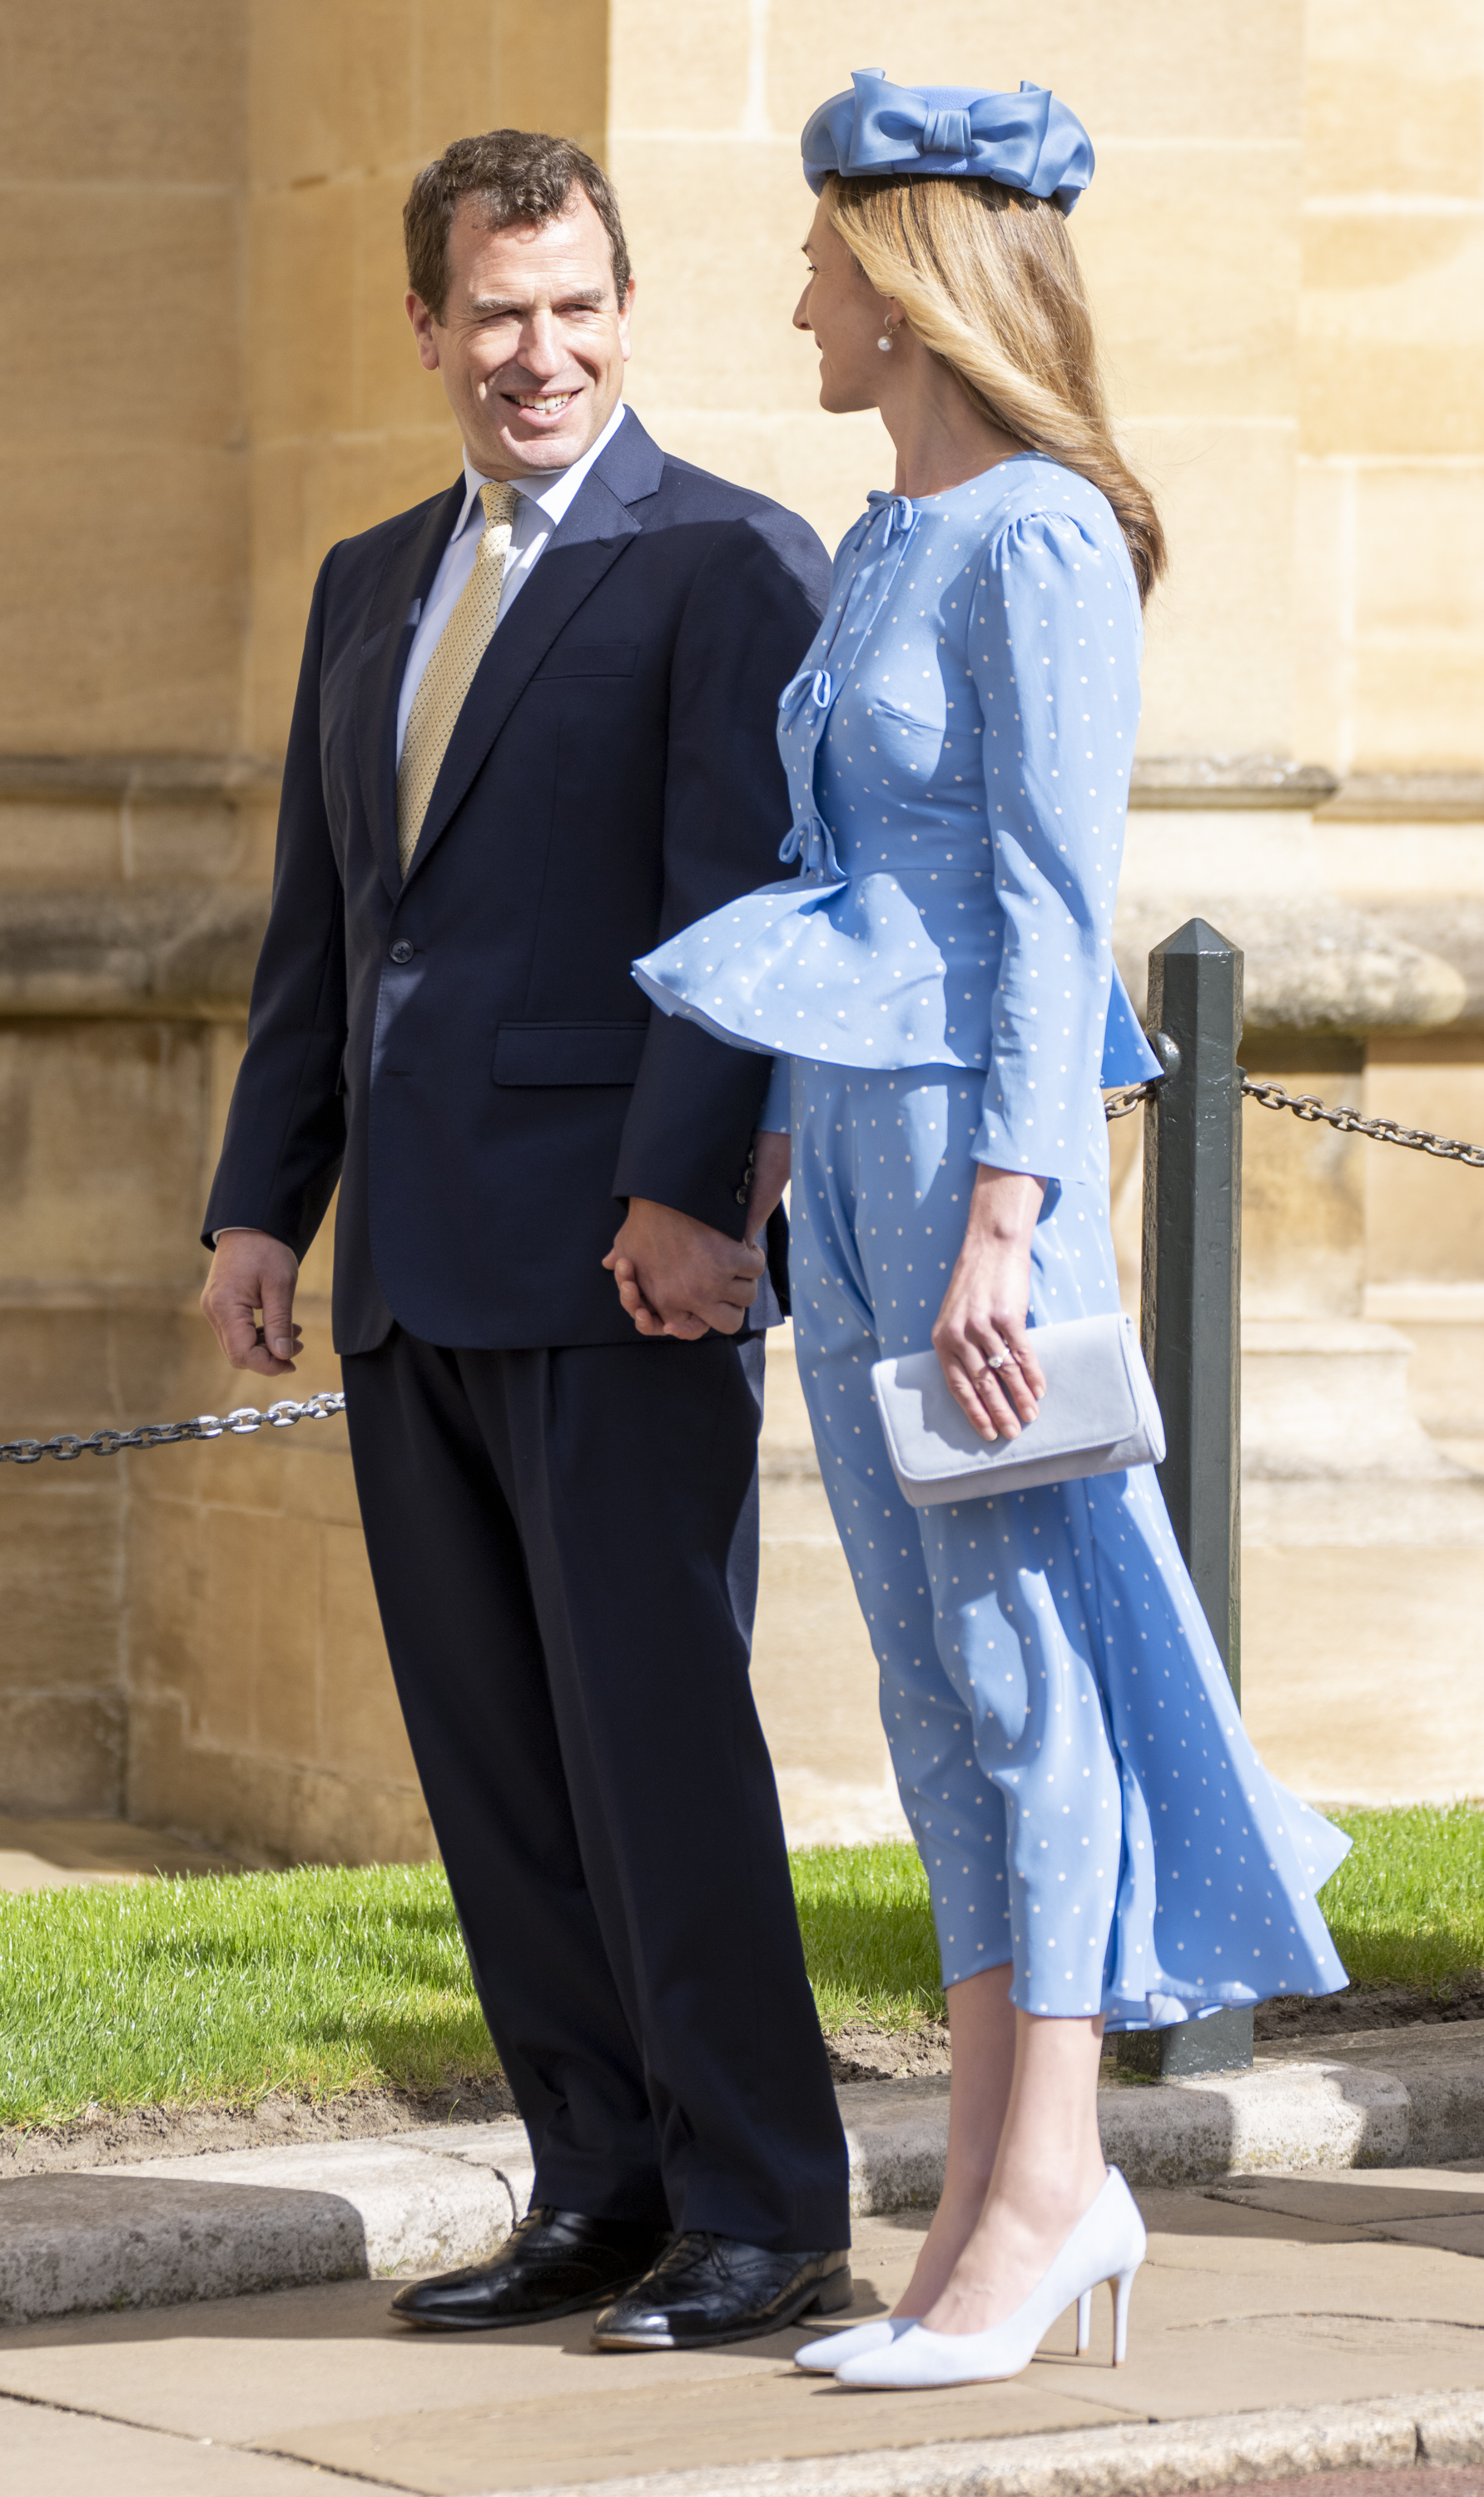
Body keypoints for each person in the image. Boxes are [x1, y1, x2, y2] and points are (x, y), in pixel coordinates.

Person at [623, 71, 1352, 2390]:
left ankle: (1046, 2191)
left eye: (825, 261)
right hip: (856, 1157)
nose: (801, 301)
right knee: (931, 1689)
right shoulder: (891, 535)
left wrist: (1006, 1226)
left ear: (917, 283)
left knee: (1025, 1674)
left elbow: (1050, 910)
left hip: (971, 1174)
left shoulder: (1040, 539)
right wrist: (766, 1146)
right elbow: (845, 885)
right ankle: (988, 2197)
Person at [197, 127, 853, 2354]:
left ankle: (766, 2208)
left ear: (626, 309)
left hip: (618, 1267)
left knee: (654, 1751)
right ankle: (598, 2186)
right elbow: (328, 927)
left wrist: (691, 1192)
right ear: (426, 324)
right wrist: (260, 1203)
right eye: (495, 312)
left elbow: (746, 908)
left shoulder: (727, 560)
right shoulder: (366, 579)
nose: (538, 352)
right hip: (409, 1271)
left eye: (576, 307)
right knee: (495, 1773)